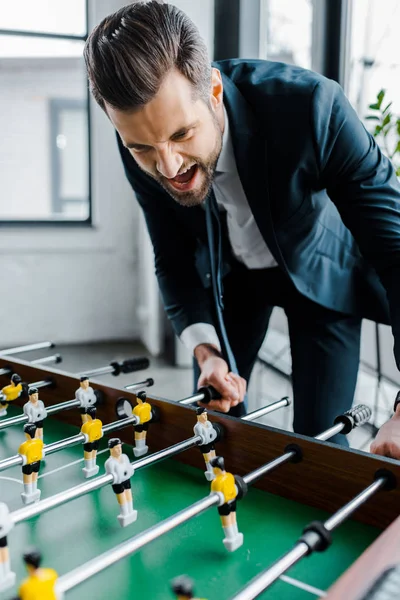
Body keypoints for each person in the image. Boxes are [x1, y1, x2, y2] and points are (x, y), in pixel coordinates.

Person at [84, 2, 400, 454]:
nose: (168, 166)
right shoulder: (141, 147)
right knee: (217, 423)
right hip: (234, 277)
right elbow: (171, 257)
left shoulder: (313, 107)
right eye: (143, 148)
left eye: (181, 135)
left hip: (320, 270)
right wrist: (206, 353)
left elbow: (397, 249)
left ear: (213, 90)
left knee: (322, 442)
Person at [210, 456, 243, 552]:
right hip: (233, 501)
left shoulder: (216, 481)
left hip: (224, 504)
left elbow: (212, 497)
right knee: (233, 518)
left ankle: (230, 538)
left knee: (227, 521)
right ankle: (236, 535)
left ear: (216, 468)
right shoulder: (230, 476)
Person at [104, 437, 137, 526]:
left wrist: (130, 470)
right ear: (111, 449)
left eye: (120, 448)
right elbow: (111, 475)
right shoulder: (110, 463)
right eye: (117, 448)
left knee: (129, 495)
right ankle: (125, 513)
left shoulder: (124, 457)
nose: (119, 450)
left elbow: (129, 467)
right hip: (118, 483)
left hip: (126, 479)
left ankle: (131, 510)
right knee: (122, 497)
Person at [18, 423, 44, 504]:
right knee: (34, 477)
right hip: (37, 462)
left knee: (28, 478)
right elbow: (41, 451)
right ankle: (34, 490)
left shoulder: (24, 446)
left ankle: (28, 493)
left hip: (28, 464)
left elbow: (20, 456)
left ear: (26, 434)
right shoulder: (39, 442)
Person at [193, 407, 218, 481]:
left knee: (213, 455)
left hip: (211, 441)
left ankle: (216, 470)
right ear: (199, 416)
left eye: (206, 414)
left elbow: (211, 431)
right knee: (208, 458)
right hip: (204, 445)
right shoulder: (198, 427)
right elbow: (201, 438)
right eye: (203, 415)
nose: (205, 416)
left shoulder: (208, 423)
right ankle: (210, 471)